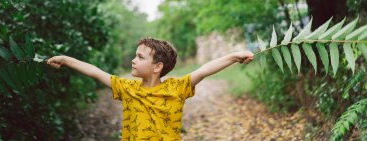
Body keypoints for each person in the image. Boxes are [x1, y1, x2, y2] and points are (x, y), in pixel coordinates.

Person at [47, 37, 254, 141]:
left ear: (158, 67)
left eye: (140, 57)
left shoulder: (176, 88)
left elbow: (203, 70)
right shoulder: (127, 88)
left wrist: (234, 57)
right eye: (135, 55)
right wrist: (66, 60)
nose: (133, 60)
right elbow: (96, 72)